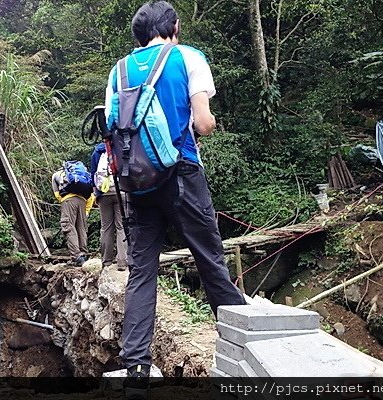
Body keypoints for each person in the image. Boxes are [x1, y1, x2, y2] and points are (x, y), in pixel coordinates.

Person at [104, 0, 246, 389]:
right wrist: (210, 122)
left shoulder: (119, 70)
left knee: (142, 270)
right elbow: (202, 122)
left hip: (138, 181)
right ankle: (244, 350)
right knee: (209, 259)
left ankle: (136, 366)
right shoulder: (188, 57)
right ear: (173, 26)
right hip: (181, 171)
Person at [90, 143, 128, 271]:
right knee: (121, 226)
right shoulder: (122, 146)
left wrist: (96, 193)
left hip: (104, 193)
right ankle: (122, 261)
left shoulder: (98, 151)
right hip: (121, 191)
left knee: (106, 227)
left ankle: (106, 261)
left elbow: (93, 173)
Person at [51, 166, 94, 266]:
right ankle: (83, 254)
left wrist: (65, 201)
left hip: (68, 201)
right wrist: (86, 210)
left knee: (68, 226)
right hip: (83, 201)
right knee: (81, 228)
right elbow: (91, 196)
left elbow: (57, 194)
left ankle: (76, 257)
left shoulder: (56, 175)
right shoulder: (83, 176)